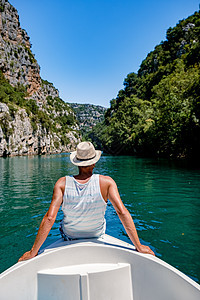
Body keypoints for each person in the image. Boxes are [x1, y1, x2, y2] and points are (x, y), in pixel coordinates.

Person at [19, 141, 155, 261]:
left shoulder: (62, 183)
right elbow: (122, 212)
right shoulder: (107, 182)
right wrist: (138, 246)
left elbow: (50, 218)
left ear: (77, 162)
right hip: (96, 235)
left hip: (69, 237)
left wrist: (33, 252)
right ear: (94, 162)